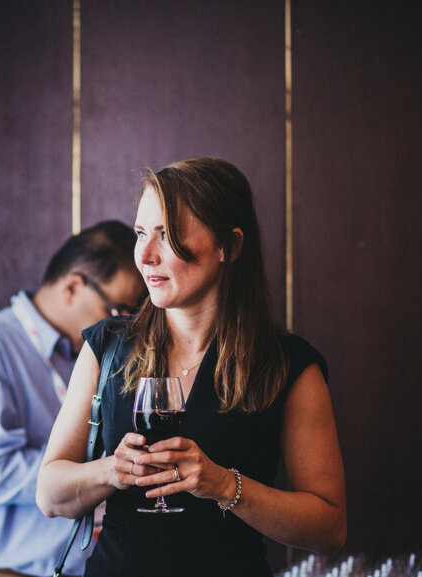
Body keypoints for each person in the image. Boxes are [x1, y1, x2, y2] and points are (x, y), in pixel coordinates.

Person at [36, 157, 346, 576]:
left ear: (230, 246)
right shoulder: (107, 345)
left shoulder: (288, 365)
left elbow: (329, 530)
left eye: (167, 236)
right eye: (141, 233)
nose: (144, 256)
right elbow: (49, 495)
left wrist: (222, 485)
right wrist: (112, 470)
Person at [0, 221, 146, 577]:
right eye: (117, 311)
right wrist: (95, 470)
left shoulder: (88, 358)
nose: (124, 327)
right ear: (71, 287)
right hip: (11, 572)